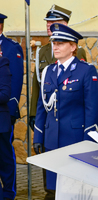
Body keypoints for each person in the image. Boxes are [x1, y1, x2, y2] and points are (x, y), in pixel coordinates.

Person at [33, 23, 98, 198]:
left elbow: (92, 108)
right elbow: (42, 107)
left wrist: (88, 142)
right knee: (52, 189)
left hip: (74, 139)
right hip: (51, 139)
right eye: (54, 42)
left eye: (60, 43)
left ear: (73, 47)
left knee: (73, 189)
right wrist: (39, 135)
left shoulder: (86, 70)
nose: (55, 46)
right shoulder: (48, 71)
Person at [29, 4, 86, 131]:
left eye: (53, 22)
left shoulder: (76, 51)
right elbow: (38, 85)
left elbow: (81, 85)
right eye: (48, 22)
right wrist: (33, 113)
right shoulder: (42, 51)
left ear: (64, 25)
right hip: (46, 112)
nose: (49, 25)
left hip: (67, 116)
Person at [0, 13, 23, 200]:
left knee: (6, 157)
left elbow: (15, 82)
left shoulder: (11, 48)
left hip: (4, 112)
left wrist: (12, 110)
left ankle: (9, 192)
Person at [0, 56, 12, 200]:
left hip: (0, 124)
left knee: (5, 162)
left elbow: (4, 95)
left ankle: (8, 195)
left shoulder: (2, 63)